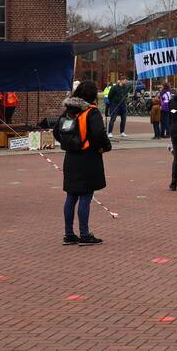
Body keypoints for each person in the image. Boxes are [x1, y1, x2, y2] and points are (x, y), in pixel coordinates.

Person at [53, 80, 111, 245]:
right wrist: (104, 147)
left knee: (71, 195)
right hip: (88, 157)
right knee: (86, 195)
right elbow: (99, 133)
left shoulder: (69, 110)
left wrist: (68, 143)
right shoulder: (91, 111)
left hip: (71, 158)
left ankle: (69, 234)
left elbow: (56, 131)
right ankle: (85, 234)